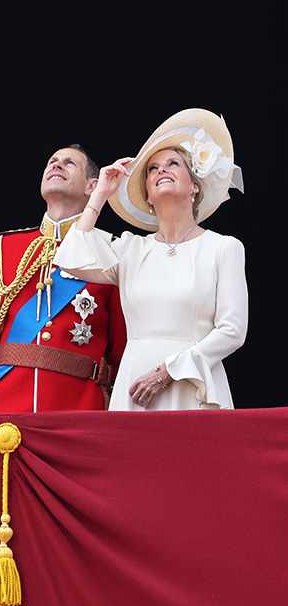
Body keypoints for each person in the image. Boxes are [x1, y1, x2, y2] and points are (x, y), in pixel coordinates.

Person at [57, 108, 247, 410]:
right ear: (147, 194)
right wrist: (100, 195)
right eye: (152, 169)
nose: (161, 171)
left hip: (193, 384)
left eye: (173, 163)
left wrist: (168, 371)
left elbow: (232, 331)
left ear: (194, 186)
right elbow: (70, 259)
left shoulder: (224, 248)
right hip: (135, 389)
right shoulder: (130, 249)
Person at [0, 145, 126, 413]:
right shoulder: (2, 246)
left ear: (92, 186)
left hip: (80, 404)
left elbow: (121, 342)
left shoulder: (110, 251)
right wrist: (3, 379)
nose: (57, 165)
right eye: (52, 160)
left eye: (69, 163)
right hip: (8, 400)